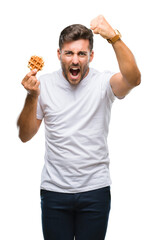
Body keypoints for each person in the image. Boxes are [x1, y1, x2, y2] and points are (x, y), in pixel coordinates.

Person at [17, 15, 141, 240]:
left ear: (91, 56)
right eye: (69, 53)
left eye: (81, 53)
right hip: (54, 192)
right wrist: (31, 96)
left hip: (95, 190)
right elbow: (24, 135)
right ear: (59, 55)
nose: (75, 60)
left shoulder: (103, 82)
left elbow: (133, 79)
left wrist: (113, 37)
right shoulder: (42, 85)